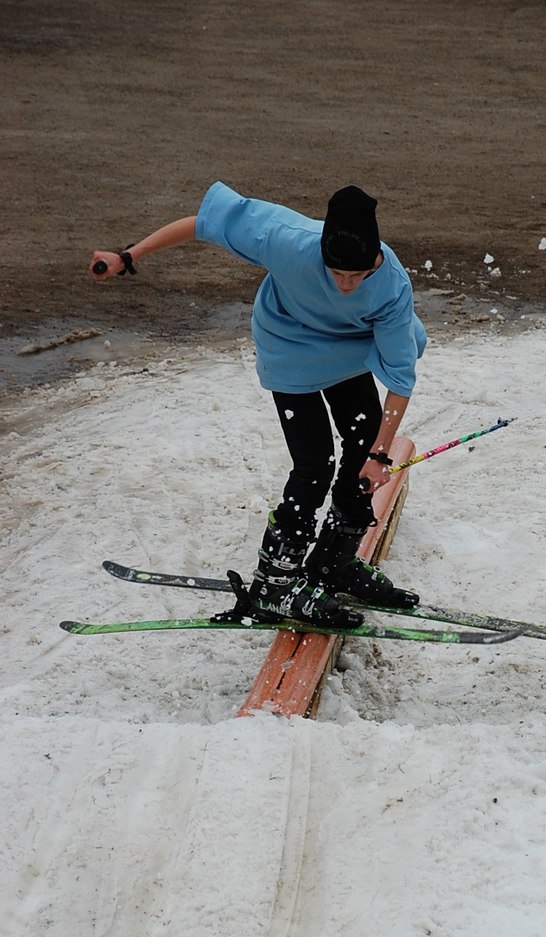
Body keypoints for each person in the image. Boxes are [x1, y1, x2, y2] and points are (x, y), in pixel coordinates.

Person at [89, 181, 427, 629]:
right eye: (337, 273)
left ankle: (333, 563)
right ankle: (275, 582)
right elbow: (203, 223)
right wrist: (129, 255)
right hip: (288, 346)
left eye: (357, 276)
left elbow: (400, 379)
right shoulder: (285, 238)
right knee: (314, 466)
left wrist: (380, 454)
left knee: (364, 442)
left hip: (347, 350)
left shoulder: (392, 287)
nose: (346, 285)